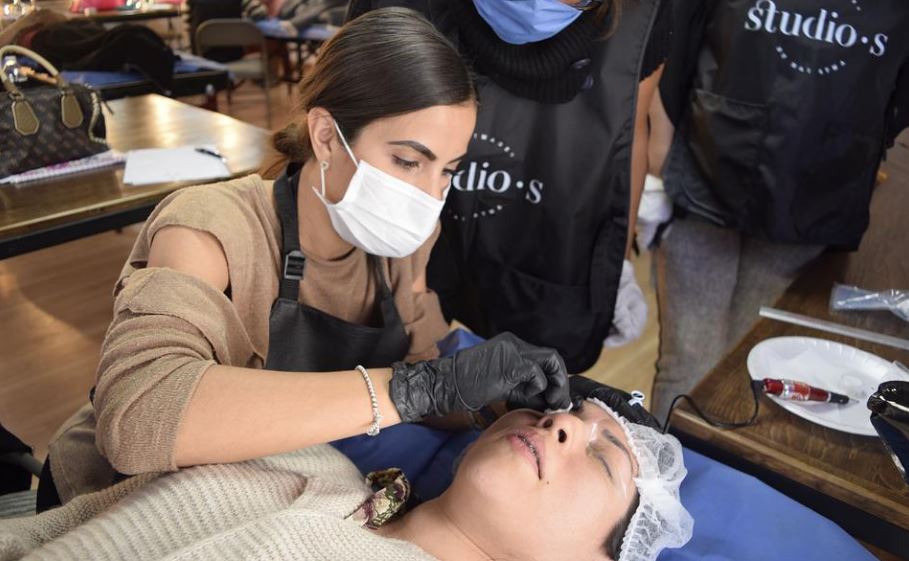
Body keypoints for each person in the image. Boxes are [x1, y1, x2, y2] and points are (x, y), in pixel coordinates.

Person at [38, 8, 570, 512]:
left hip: (258, 494)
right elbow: (139, 418)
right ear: (326, 137)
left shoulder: (405, 240)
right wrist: (417, 389)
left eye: (448, 171)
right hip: (117, 501)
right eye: (408, 161)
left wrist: (497, 398)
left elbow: (425, 380)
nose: (430, 196)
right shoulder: (211, 229)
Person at [347, 0, 671, 374]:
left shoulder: (641, 14)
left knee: (527, 399)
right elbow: (349, 118)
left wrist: (616, 257)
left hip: (551, 257)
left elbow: (628, 135)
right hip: (405, 248)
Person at [2, 396, 693, 561]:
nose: (558, 425)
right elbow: (107, 437)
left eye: (602, 459)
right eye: (554, 408)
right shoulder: (318, 463)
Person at [647, 0, 909, 420]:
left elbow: (895, 99)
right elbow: (675, 42)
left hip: (813, 193)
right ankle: (658, 477)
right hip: (707, 170)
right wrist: (659, 152)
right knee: (688, 363)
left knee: (748, 367)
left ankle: (711, 478)